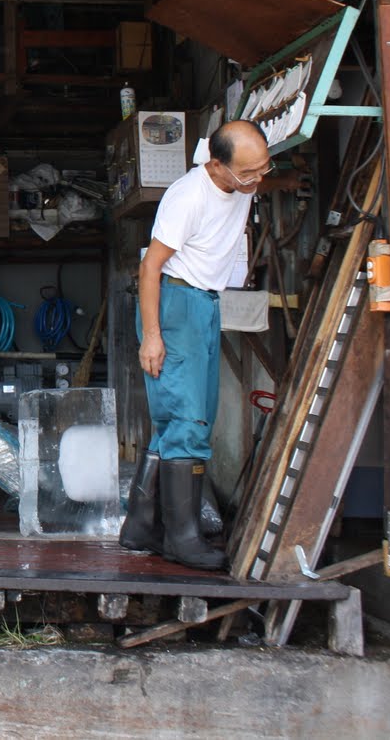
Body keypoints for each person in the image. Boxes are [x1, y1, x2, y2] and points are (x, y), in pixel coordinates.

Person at [119, 120, 270, 570]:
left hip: (204, 301)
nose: (257, 180)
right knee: (187, 421)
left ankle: (141, 525)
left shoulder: (241, 180)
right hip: (174, 300)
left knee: (182, 420)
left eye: (264, 168)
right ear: (218, 166)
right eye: (249, 173)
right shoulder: (187, 197)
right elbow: (150, 268)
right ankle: (182, 539)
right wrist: (151, 335)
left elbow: (256, 171)